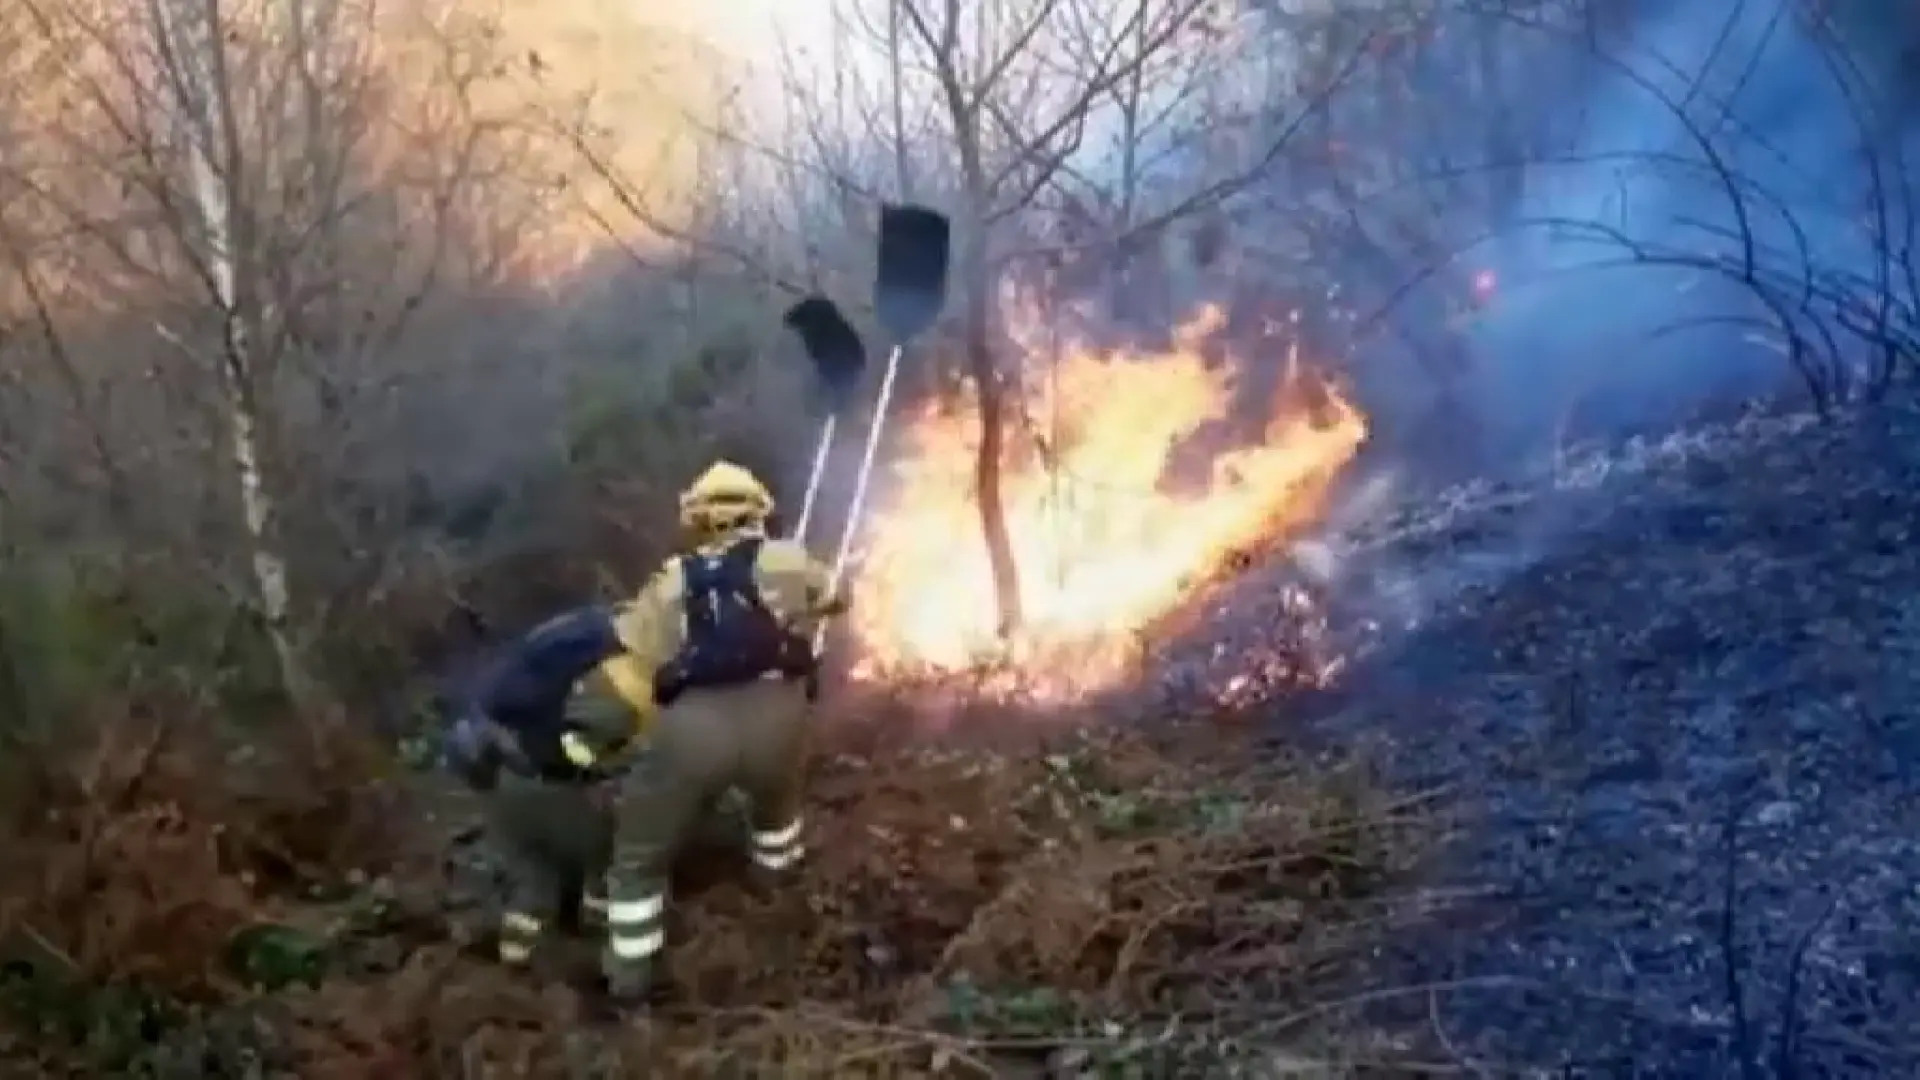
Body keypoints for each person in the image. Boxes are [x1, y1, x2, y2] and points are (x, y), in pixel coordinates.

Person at [592, 459, 847, 1006]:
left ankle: (630, 983)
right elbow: (835, 600)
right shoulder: (787, 557)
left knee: (638, 855)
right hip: (781, 717)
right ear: (758, 510)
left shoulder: (673, 580)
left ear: (697, 518)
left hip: (695, 731)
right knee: (776, 812)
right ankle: (777, 893)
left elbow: (638, 654)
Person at [440, 603, 656, 969]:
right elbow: (603, 756)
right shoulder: (623, 673)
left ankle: (514, 965)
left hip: (505, 785)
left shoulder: (557, 640)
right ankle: (597, 944)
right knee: (614, 853)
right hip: (558, 792)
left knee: (532, 882)